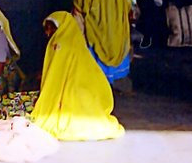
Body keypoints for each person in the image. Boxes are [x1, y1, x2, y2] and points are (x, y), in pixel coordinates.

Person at [31, 11, 125, 141]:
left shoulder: (58, 44)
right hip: (89, 98)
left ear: (60, 27)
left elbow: (55, 79)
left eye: (50, 28)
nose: (47, 33)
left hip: (70, 98)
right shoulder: (77, 44)